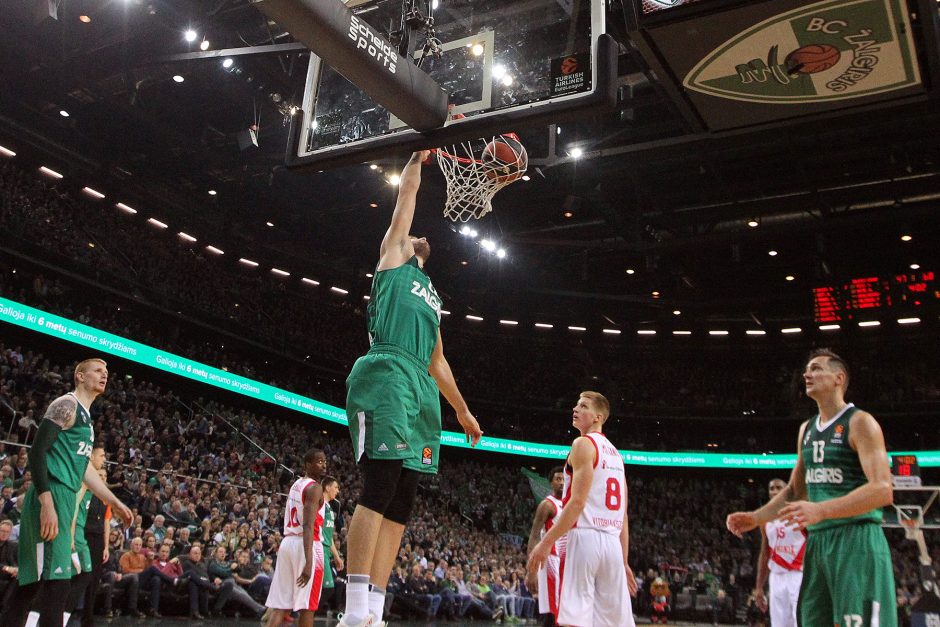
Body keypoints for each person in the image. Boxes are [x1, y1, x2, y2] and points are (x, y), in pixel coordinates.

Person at [340, 151, 483, 627]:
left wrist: (462, 411)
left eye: (424, 238)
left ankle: (375, 610)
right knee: (379, 486)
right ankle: (354, 610)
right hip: (386, 371)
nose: (419, 234)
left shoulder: (433, 297)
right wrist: (417, 158)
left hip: (421, 386)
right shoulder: (394, 256)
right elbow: (407, 194)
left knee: (403, 500)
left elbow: (438, 361)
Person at [726, 349, 896, 627]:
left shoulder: (860, 422)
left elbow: (882, 490)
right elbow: (795, 490)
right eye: (807, 369)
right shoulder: (807, 429)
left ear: (838, 378)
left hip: (855, 540)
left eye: (816, 369)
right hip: (818, 544)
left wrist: (821, 509)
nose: (807, 374)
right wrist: (757, 517)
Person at [0, 358, 132, 627]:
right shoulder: (66, 404)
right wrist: (46, 501)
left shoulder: (86, 418)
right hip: (50, 494)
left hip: (65, 496)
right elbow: (38, 452)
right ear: (80, 376)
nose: (104, 375)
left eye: (106, 372)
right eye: (97, 370)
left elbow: (84, 469)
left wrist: (113, 501)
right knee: (52, 584)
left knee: (37, 582)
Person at [528, 391, 637, 627]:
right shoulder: (617, 455)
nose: (575, 409)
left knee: (574, 618)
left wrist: (546, 543)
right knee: (612, 623)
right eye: (577, 405)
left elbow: (577, 503)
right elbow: (624, 515)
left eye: (583, 406)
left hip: (585, 538)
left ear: (598, 417)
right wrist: (624, 561)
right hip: (612, 545)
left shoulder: (583, 443)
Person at [264, 449, 328, 627]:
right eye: (319, 461)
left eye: (324, 461)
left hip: (288, 543)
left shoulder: (296, 484)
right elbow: (308, 526)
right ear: (307, 465)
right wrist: (309, 561)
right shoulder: (315, 488)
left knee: (281, 606)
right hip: (307, 545)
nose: (323, 465)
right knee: (308, 606)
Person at [752, 478, 804, 627]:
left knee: (800, 621)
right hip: (776, 577)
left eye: (778, 487)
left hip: (798, 574)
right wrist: (759, 586)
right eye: (771, 488)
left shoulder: (798, 513)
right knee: (778, 624)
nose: (774, 491)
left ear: (785, 490)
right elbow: (764, 553)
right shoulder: (765, 519)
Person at [526, 466, 565, 626]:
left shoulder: (571, 504)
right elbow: (534, 535)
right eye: (558, 479)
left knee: (563, 609)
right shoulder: (547, 505)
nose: (562, 483)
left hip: (566, 560)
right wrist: (531, 571)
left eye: (564, 479)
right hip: (550, 559)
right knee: (553, 611)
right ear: (551, 483)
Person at [80, 467, 109, 627]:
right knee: (78, 576)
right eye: (100, 475)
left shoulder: (106, 498)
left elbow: (106, 522)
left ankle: (88, 617)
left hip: (98, 539)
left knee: (94, 579)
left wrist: (106, 547)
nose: (103, 478)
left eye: (105, 476)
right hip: (83, 535)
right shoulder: (84, 492)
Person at [319, 475, 345, 615]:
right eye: (335, 487)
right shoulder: (319, 504)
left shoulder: (329, 507)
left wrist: (336, 556)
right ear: (327, 488)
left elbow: (328, 537)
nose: (337, 490)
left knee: (325, 589)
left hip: (325, 550)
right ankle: (302, 615)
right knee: (327, 588)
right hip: (318, 549)